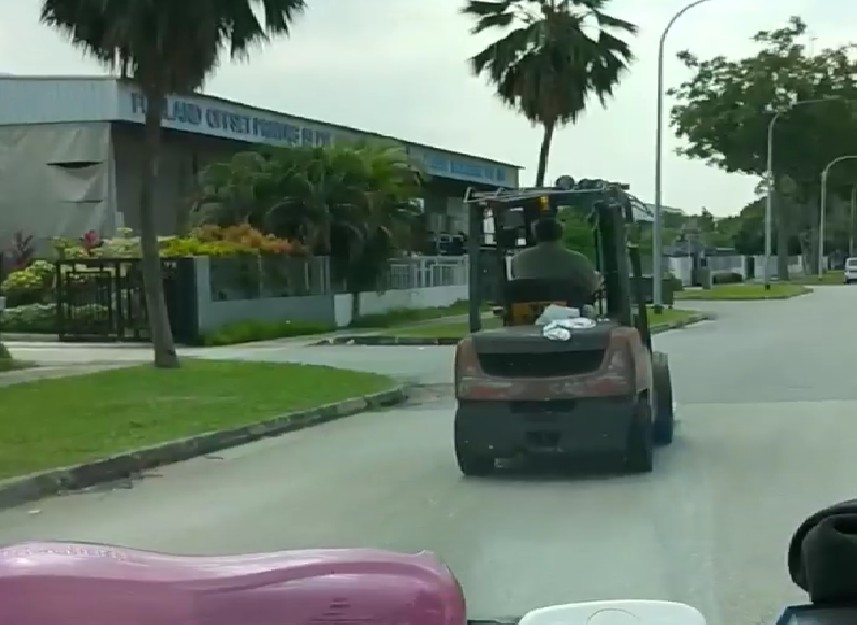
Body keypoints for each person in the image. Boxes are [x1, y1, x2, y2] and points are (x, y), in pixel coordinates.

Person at [510, 217, 601, 299]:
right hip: (569, 310)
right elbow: (592, 286)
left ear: (535, 235)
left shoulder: (518, 259)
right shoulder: (576, 259)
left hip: (527, 310)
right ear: (561, 234)